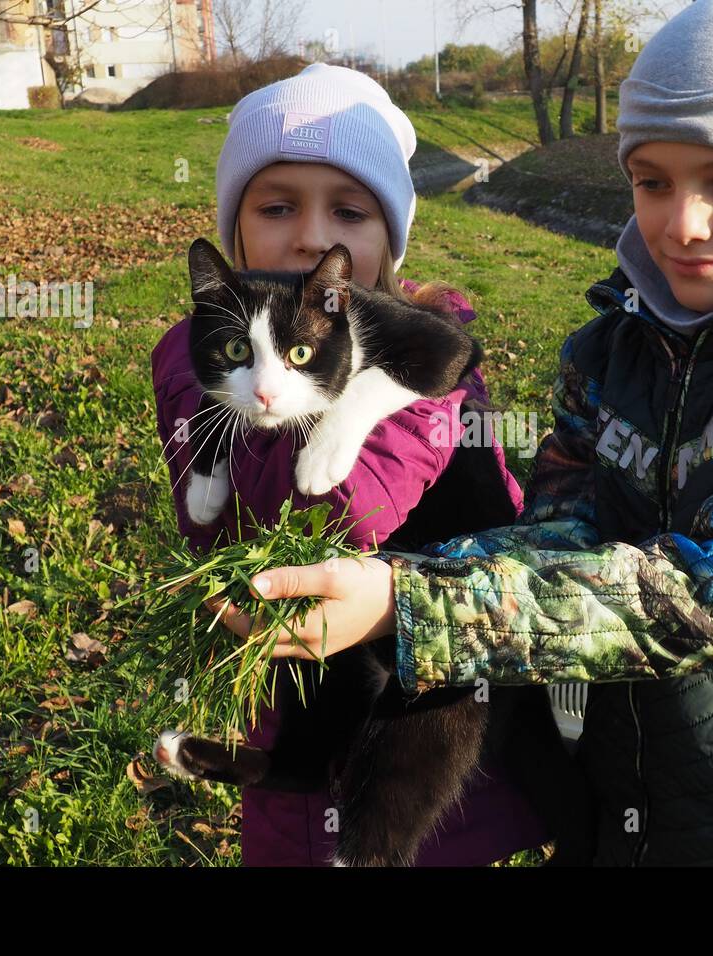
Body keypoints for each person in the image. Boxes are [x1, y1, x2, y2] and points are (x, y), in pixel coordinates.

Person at [215, 0, 713, 866]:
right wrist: (392, 578)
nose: (683, 221)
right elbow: (557, 538)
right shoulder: (608, 351)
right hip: (627, 805)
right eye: (653, 180)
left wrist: (410, 606)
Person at [149, 63, 549, 866]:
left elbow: (350, 513)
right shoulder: (199, 356)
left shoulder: (416, 344)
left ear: (389, 237)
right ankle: (281, 767)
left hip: (443, 651)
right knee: (306, 742)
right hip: (294, 677)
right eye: (276, 206)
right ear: (233, 236)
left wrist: (340, 411)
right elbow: (210, 521)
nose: (310, 235)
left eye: (349, 211)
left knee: (414, 738)